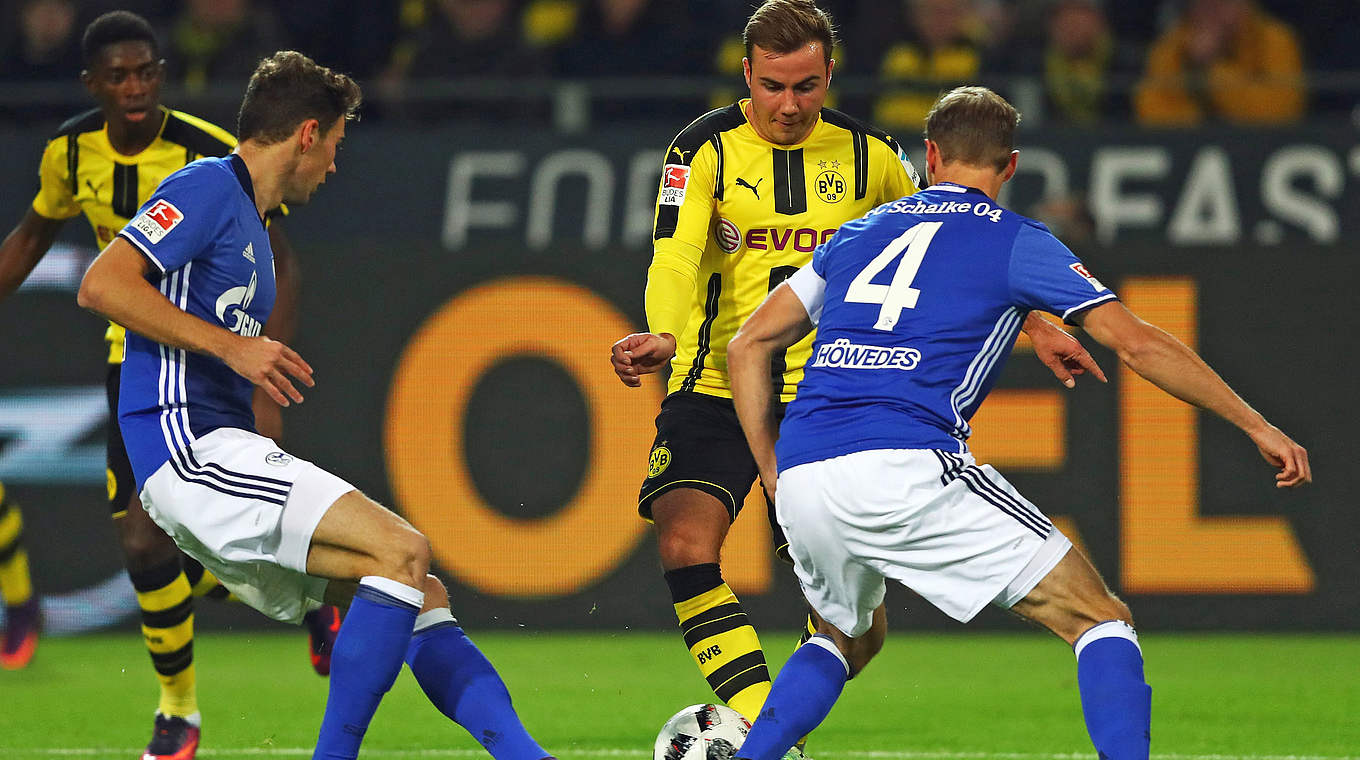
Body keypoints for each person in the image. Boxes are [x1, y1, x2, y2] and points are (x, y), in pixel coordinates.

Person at [725, 85, 1311, 760]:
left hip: (805, 470)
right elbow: (1140, 344)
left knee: (844, 637)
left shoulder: (860, 232)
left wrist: (772, 467)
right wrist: (1255, 424)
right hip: (905, 461)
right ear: (1009, 167)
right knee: (1100, 619)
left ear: (931, 155)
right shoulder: (1018, 240)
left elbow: (748, 345)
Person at [609, 0, 1102, 734]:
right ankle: (758, 727)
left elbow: (947, 250)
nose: (788, 104)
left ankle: (778, 724)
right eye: (773, 86)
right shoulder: (701, 149)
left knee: (852, 625)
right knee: (684, 540)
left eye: (806, 86)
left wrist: (1035, 320)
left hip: (826, 395)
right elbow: (677, 255)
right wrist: (662, 332)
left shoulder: (872, 157)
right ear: (747, 73)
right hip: (716, 378)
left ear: (829, 75)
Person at [76, 50, 555, 760]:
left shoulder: (256, 229)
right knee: (401, 547)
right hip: (186, 448)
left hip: (218, 449)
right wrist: (232, 348)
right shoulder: (207, 186)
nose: (333, 164)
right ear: (306, 134)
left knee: (416, 589)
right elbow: (102, 284)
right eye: (333, 144)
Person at [0, 11, 338, 758]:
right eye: (118, 75)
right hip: (136, 360)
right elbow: (32, 235)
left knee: (151, 537)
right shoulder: (70, 152)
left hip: (210, 363)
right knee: (155, 546)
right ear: (91, 83)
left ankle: (180, 713)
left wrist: (259, 361)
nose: (135, 87)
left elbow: (280, 258)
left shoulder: (208, 158)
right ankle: (278, 630)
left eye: (147, 71)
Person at [1133, 0, 1304, 126]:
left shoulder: (1274, 40)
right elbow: (1150, 110)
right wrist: (1204, 123)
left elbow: (1280, 111)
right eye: (1204, 5)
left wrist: (1211, 71)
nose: (1213, 12)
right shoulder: (1172, 47)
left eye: (1222, 4)